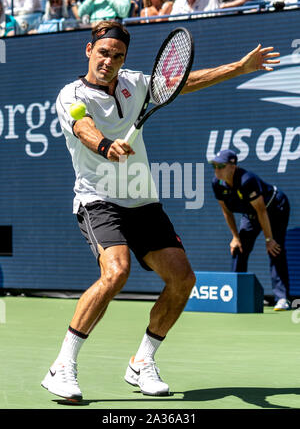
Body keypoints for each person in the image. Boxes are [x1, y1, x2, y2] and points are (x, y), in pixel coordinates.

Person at [41, 20, 280, 402]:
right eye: (104, 53)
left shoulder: (133, 83)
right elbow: (83, 127)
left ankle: (142, 362)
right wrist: (106, 146)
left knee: (183, 280)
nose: (110, 61)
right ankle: (62, 366)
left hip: (142, 201)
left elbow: (183, 81)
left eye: (118, 56)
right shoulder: (70, 94)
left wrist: (239, 67)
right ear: (89, 51)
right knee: (116, 271)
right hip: (98, 200)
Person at [210, 149, 291, 311]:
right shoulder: (216, 183)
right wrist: (235, 237)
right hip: (251, 213)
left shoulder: (247, 180)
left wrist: (269, 240)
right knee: (239, 248)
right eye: (214, 166)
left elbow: (261, 210)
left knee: (275, 249)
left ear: (233, 167)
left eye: (221, 166)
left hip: (275, 208)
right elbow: (226, 212)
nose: (216, 169)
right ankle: (234, 293)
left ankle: (282, 298)